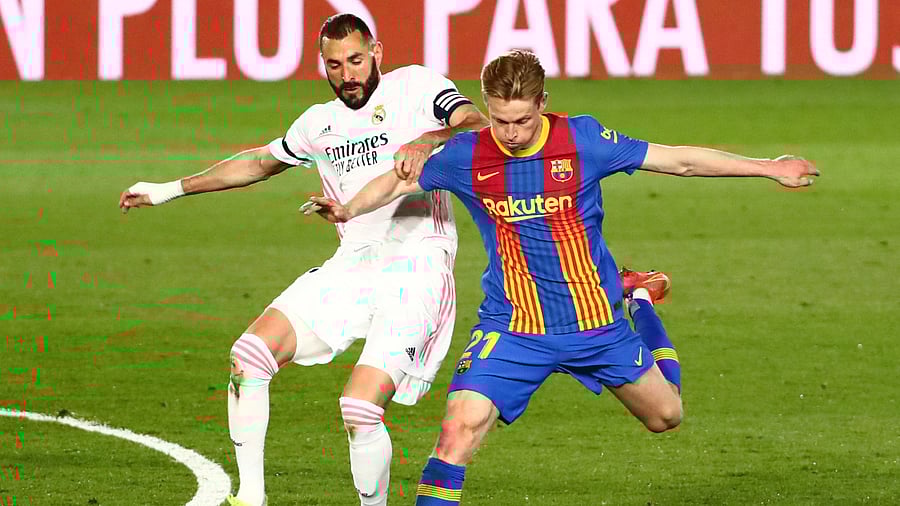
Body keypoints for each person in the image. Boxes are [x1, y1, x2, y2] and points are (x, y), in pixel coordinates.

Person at [308, 49, 819, 504]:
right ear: (485, 106)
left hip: (595, 320)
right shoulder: (466, 156)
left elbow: (680, 161)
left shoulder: (584, 140)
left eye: (523, 120)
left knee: (666, 416)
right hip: (512, 326)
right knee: (457, 431)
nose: (511, 133)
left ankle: (636, 298)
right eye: (500, 120)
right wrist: (349, 208)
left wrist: (769, 167)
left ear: (544, 103)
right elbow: (396, 181)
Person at [118, 13, 488, 506]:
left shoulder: (416, 87)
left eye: (356, 60)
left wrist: (430, 139)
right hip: (353, 264)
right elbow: (258, 162)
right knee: (248, 356)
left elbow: (477, 123)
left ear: (376, 51)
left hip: (418, 267)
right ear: (323, 65)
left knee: (359, 407)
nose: (347, 74)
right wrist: (167, 190)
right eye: (335, 65)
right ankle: (251, 498)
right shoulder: (320, 124)